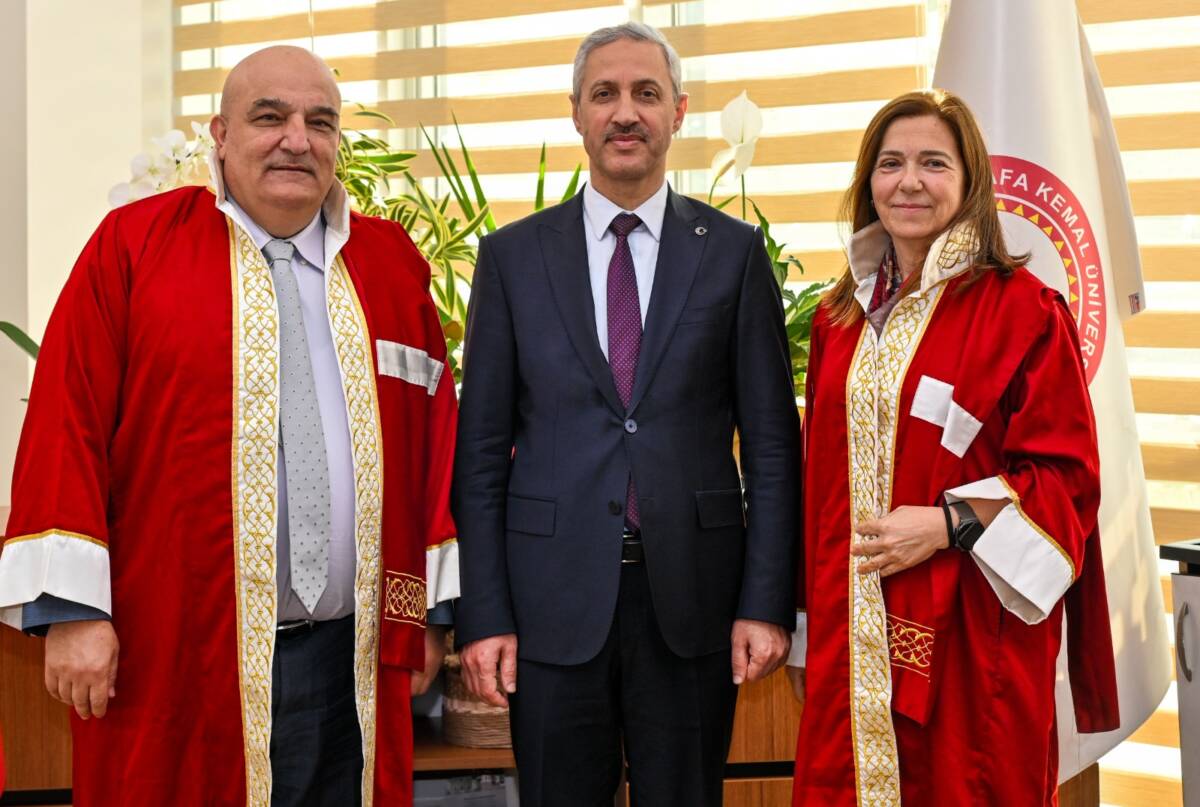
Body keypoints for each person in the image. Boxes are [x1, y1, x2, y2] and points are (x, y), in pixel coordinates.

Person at [0, 46, 459, 806]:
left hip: (354, 663)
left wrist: (429, 619)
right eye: (269, 117)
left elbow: (434, 448)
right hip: (178, 657)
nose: (296, 139)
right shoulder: (134, 247)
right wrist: (74, 614)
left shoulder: (393, 268)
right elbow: (65, 422)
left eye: (320, 122)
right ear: (218, 134)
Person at [452, 21, 799, 807]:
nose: (625, 112)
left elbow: (774, 448)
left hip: (695, 603)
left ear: (678, 111)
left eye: (647, 93)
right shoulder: (512, 258)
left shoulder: (736, 253)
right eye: (604, 93)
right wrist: (485, 614)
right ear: (575, 112)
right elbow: (479, 456)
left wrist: (766, 602)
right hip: (549, 604)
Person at [787, 89, 1119, 806]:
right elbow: (817, 480)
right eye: (891, 163)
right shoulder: (839, 318)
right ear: (867, 180)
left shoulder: (1022, 310)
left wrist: (943, 523)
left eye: (934, 163)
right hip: (851, 634)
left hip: (973, 637)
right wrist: (805, 627)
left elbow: (1065, 481)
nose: (909, 181)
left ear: (969, 182)